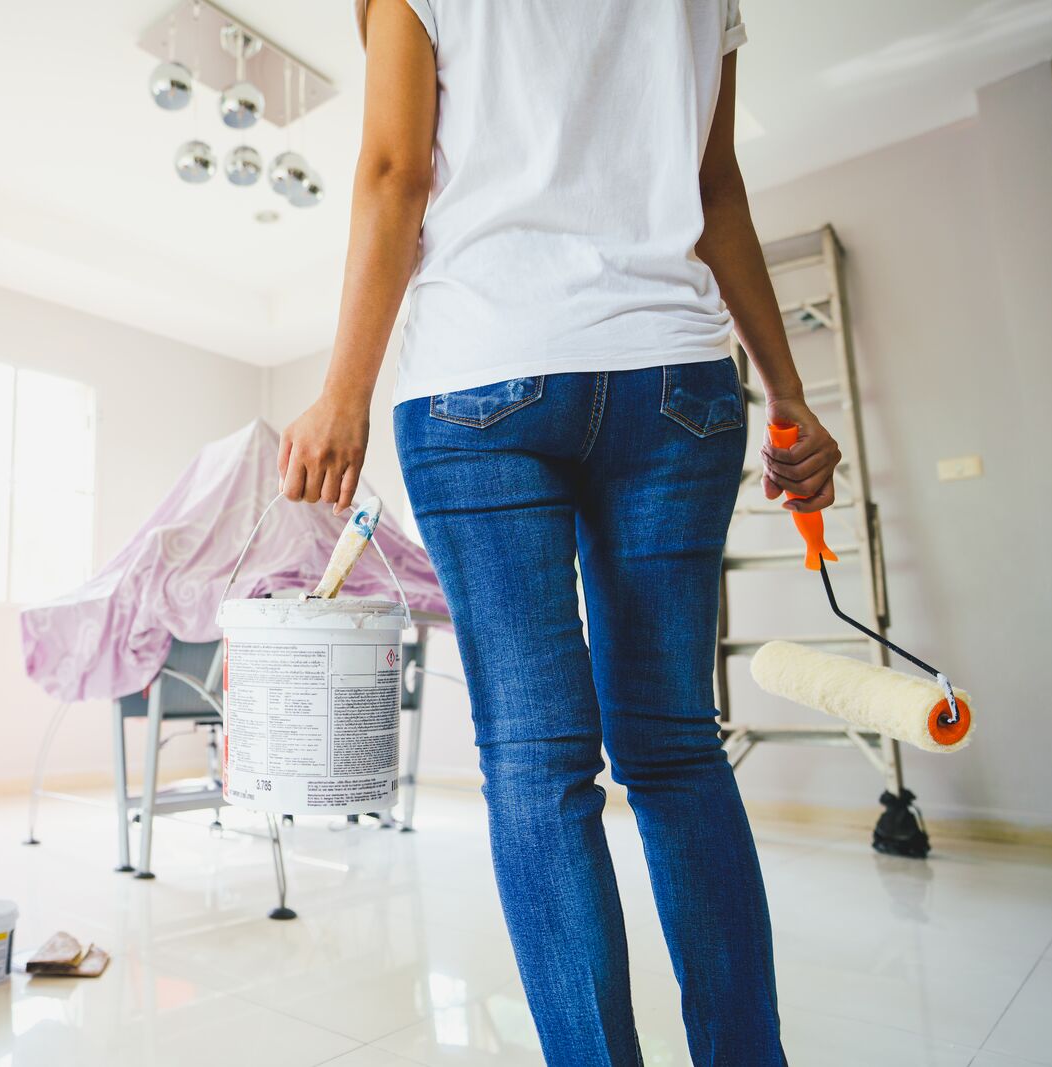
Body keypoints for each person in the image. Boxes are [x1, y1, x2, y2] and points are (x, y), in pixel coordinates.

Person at [279, 2, 842, 1064]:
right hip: (674, 374)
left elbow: (398, 169)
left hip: (478, 370)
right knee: (675, 749)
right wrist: (788, 390)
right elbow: (713, 187)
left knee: (537, 764)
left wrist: (342, 392)